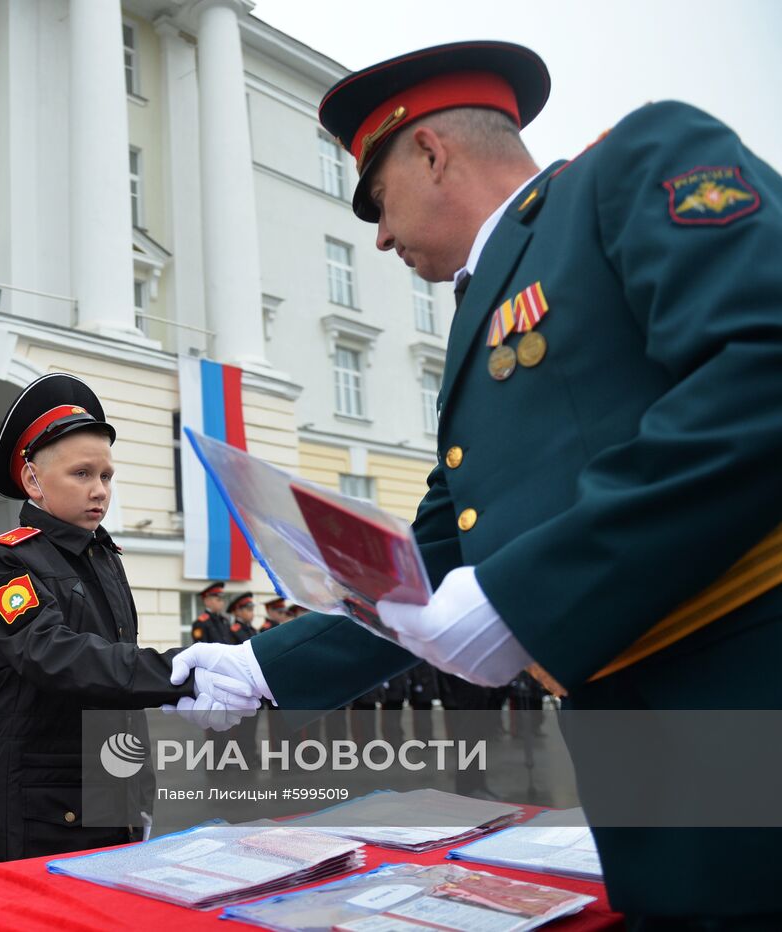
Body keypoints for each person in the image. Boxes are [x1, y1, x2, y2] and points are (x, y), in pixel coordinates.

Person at [168, 39, 782, 925]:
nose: (377, 236)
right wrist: (263, 664)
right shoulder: (477, 314)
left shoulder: (632, 165)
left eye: (378, 202)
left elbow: (762, 362)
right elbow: (442, 547)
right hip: (634, 735)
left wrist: (529, 596)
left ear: (430, 151)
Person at [0, 373, 253, 862]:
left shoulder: (105, 554)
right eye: (81, 474)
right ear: (33, 481)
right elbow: (53, 654)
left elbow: (115, 666)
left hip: (114, 770)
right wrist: (176, 675)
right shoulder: (6, 561)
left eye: (106, 476)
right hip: (45, 787)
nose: (99, 490)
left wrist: (137, 783)